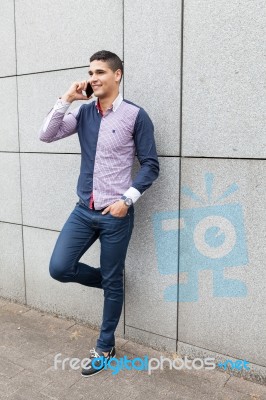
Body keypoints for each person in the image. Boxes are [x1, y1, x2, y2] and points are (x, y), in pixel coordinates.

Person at [38, 50, 160, 377]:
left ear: (117, 75)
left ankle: (105, 346)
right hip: (83, 210)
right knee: (60, 267)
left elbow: (151, 165)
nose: (93, 78)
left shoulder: (136, 116)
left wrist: (127, 200)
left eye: (100, 72)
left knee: (111, 275)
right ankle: (111, 282)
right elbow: (46, 134)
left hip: (115, 214)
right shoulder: (84, 114)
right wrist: (67, 97)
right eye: (91, 72)